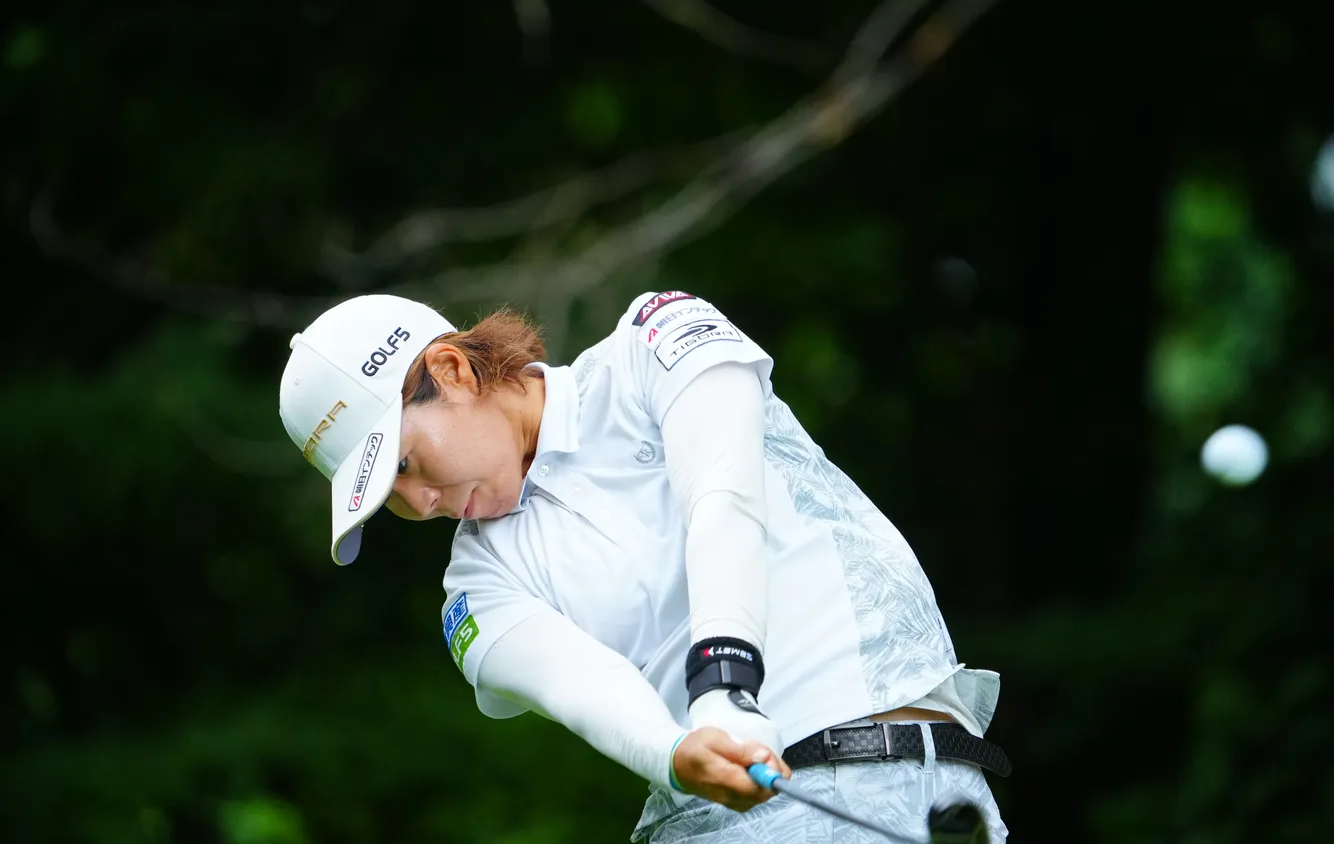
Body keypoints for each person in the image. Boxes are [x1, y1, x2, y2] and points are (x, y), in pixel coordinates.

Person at [279, 289, 1012, 842]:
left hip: (924, 779)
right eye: (388, 498)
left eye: (405, 463)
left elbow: (722, 500)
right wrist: (674, 749)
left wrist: (726, 687)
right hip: (721, 823)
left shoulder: (652, 342)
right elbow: (583, 687)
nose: (418, 501)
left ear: (452, 370)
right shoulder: (474, 589)